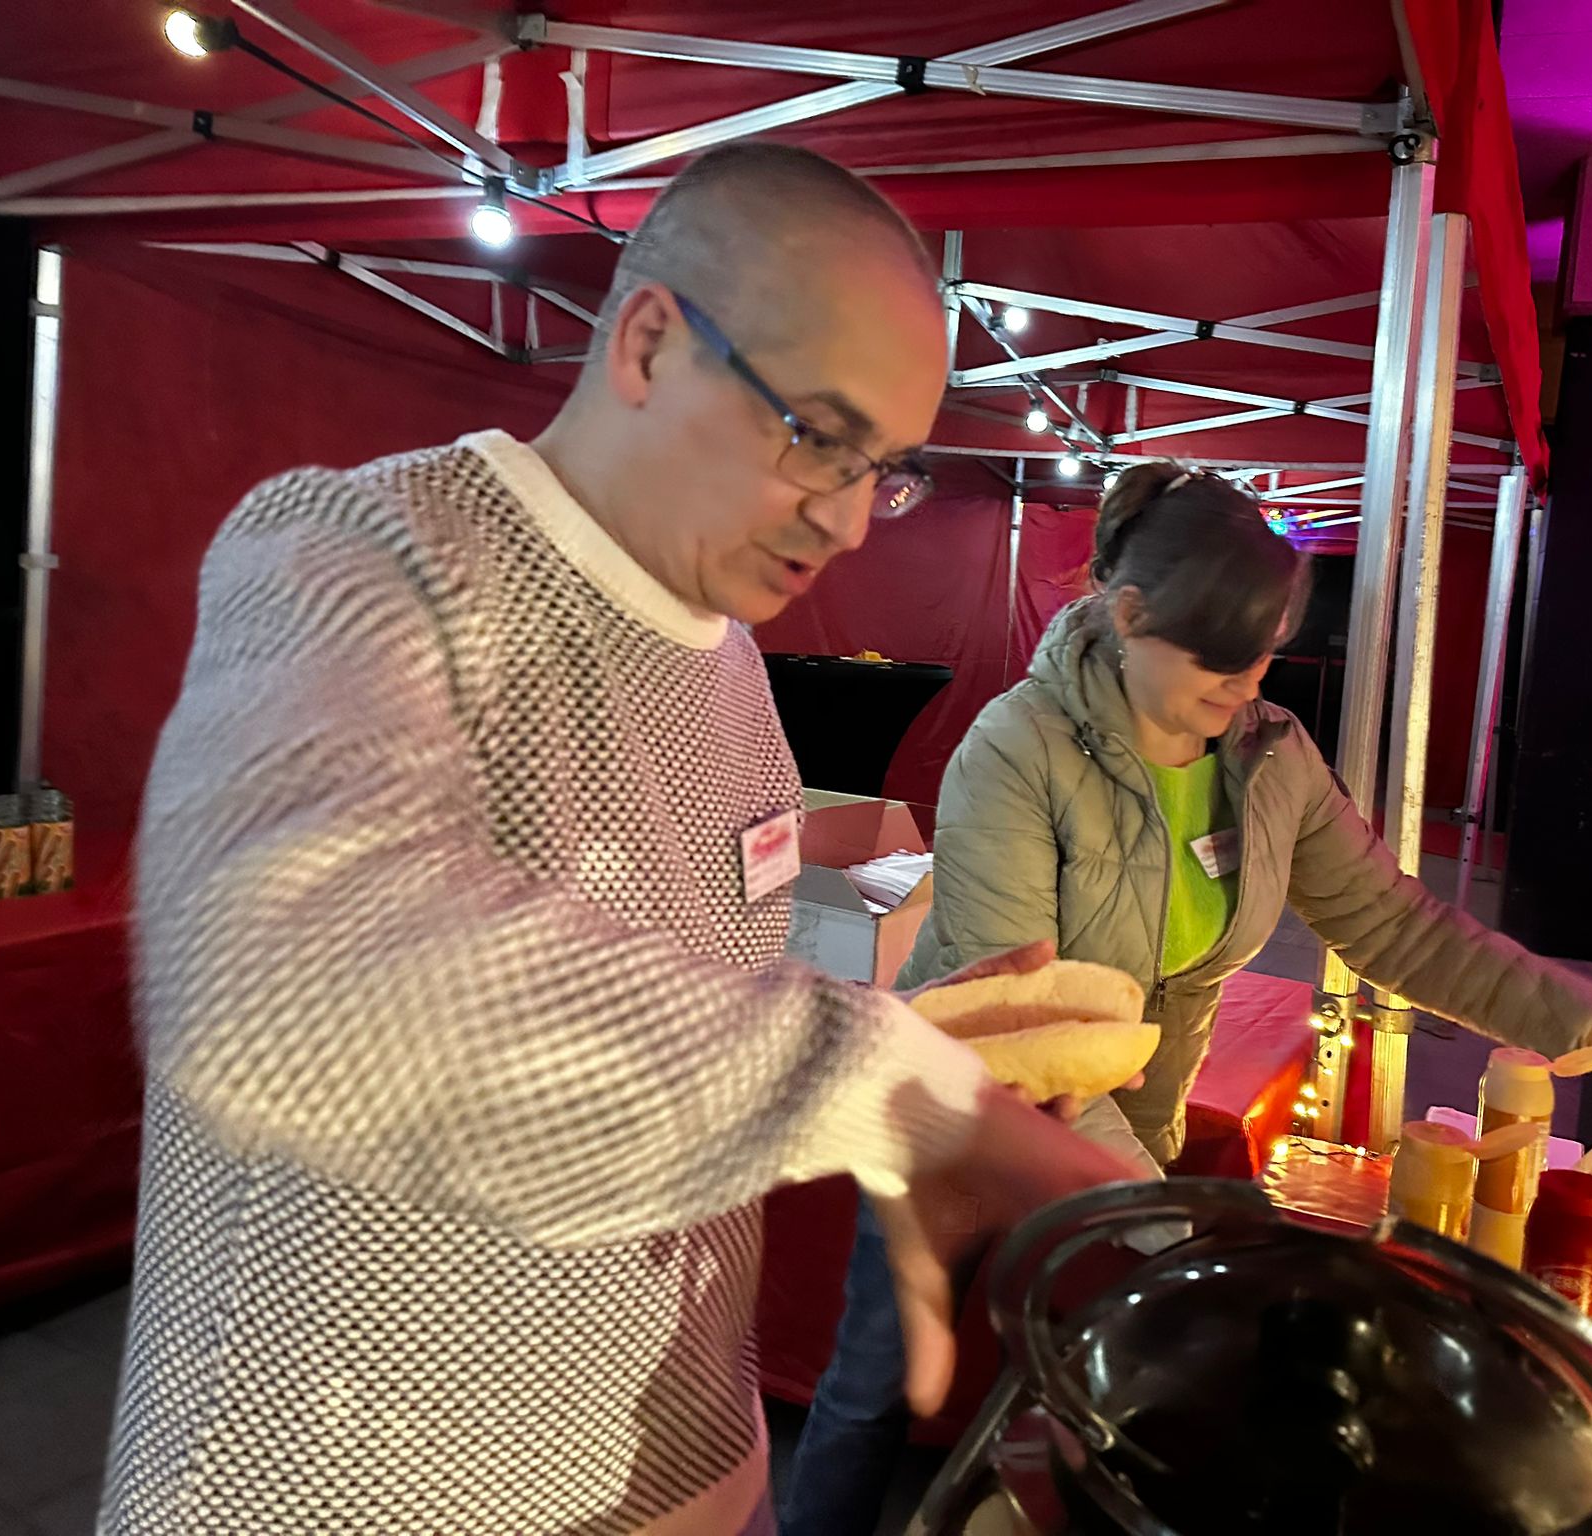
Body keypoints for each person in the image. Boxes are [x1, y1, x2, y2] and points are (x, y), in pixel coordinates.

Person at [100, 143, 1139, 1536]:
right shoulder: (363, 548)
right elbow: (284, 983)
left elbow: (666, 983)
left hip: (696, 1470)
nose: (847, 520)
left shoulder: (730, 659)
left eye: (882, 470)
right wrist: (877, 1081)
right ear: (648, 342)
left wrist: (916, 1037)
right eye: (815, 435)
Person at [781, 462, 1592, 1533]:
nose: (1243, 687)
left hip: (1123, 1138)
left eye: (1264, 655)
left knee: (1085, 1402)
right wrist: (1162, 1224)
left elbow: (1396, 924)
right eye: (1215, 662)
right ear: (1128, 616)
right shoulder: (1015, 749)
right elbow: (1026, 1017)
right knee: (872, 1389)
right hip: (959, 1127)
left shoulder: (1268, 754)